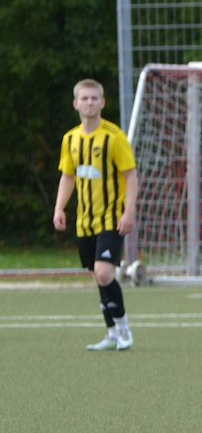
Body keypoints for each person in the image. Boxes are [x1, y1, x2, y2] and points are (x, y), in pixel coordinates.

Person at [53, 79, 138, 352]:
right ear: (76, 103)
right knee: (97, 275)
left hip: (111, 219)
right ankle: (111, 333)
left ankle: (124, 329)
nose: (89, 103)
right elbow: (68, 175)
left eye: (94, 98)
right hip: (84, 220)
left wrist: (129, 211)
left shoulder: (114, 137)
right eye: (84, 98)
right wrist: (59, 208)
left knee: (104, 273)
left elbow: (131, 176)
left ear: (102, 103)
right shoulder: (71, 139)